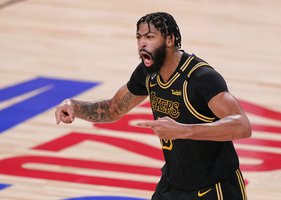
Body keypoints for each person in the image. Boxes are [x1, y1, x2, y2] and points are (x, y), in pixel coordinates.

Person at [55, 12, 252, 200]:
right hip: (173, 185)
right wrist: (74, 106)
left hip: (215, 187)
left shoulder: (201, 78)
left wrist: (183, 131)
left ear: (169, 40)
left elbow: (242, 126)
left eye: (150, 36)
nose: (142, 43)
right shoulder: (148, 73)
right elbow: (113, 110)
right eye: (139, 37)